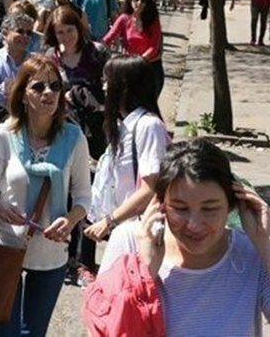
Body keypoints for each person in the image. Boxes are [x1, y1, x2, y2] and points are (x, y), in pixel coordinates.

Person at [87, 139, 270, 336]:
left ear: (232, 205)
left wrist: (264, 242)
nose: (194, 224)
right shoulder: (130, 241)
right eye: (180, 208)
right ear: (160, 203)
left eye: (209, 209)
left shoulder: (253, 251)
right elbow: (101, 330)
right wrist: (143, 271)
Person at [0, 55, 91, 337]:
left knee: (33, 334)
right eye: (39, 87)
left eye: (55, 87)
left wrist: (69, 220)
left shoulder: (74, 137)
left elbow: (83, 197)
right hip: (7, 245)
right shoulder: (3, 135)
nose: (49, 93)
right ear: (23, 93)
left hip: (51, 253)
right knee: (6, 334)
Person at [43, 6, 108, 286]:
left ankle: (85, 261)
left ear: (79, 28)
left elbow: (109, 88)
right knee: (63, 193)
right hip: (62, 132)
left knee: (88, 195)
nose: (66, 36)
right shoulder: (50, 58)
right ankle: (63, 257)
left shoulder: (97, 52)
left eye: (70, 30)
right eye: (60, 32)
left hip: (94, 133)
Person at [84, 56, 171, 255]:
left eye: (107, 81)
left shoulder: (149, 126)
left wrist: (109, 220)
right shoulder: (123, 126)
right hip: (124, 233)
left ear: (123, 87)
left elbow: (151, 187)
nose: (104, 88)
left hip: (142, 236)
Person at [0, 13, 34, 156]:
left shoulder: (34, 63)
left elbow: (36, 95)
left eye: (29, 33)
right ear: (5, 33)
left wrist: (9, 89)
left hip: (26, 130)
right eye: (20, 31)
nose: (25, 36)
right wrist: (23, 93)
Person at [103, 0, 165, 96]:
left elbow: (153, 47)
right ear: (130, 1)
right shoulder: (124, 18)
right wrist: (96, 48)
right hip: (131, 69)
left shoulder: (153, 20)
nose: (139, 2)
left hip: (150, 68)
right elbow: (109, 37)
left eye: (143, 0)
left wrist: (138, 62)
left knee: (149, 107)